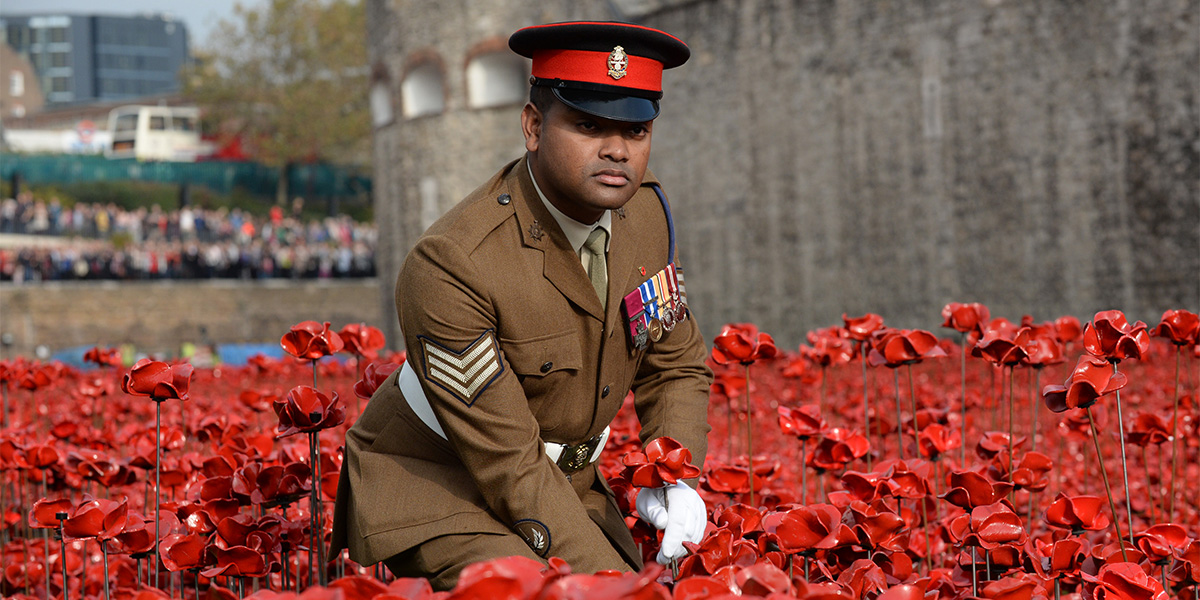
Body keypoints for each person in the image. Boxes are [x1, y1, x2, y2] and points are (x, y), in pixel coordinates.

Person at [330, 21, 712, 589]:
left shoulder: (644, 216)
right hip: (440, 486)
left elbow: (674, 364)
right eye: (587, 125)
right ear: (533, 126)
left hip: (564, 481)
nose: (616, 149)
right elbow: (507, 461)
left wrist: (677, 473)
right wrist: (614, 582)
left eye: (635, 130)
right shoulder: (454, 263)